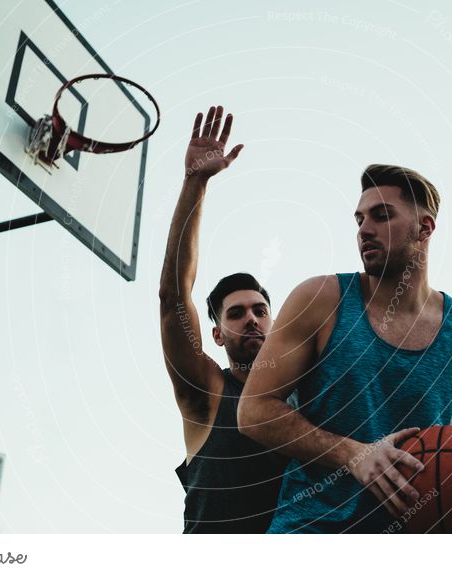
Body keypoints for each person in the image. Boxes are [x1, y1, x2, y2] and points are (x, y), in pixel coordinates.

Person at [238, 164, 452, 533]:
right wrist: (354, 455)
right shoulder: (320, 299)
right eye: (359, 219)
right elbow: (253, 412)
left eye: (382, 215)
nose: (364, 230)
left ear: (424, 228)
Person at [159, 106, 285, 533]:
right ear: (216, 334)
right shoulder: (208, 394)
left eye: (260, 310)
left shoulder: (306, 402)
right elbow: (173, 296)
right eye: (236, 313)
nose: (251, 319)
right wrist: (196, 181)